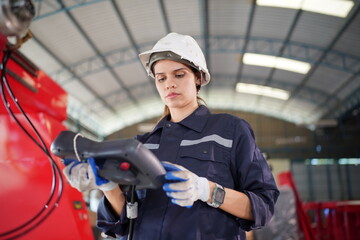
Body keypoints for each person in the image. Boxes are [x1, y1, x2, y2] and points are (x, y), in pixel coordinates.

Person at [63, 32, 279, 240]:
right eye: (161, 78)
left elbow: (263, 206)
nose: (169, 84)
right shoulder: (140, 145)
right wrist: (108, 186)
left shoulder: (230, 130)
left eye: (179, 74)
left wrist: (207, 190)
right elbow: (122, 225)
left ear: (198, 77)